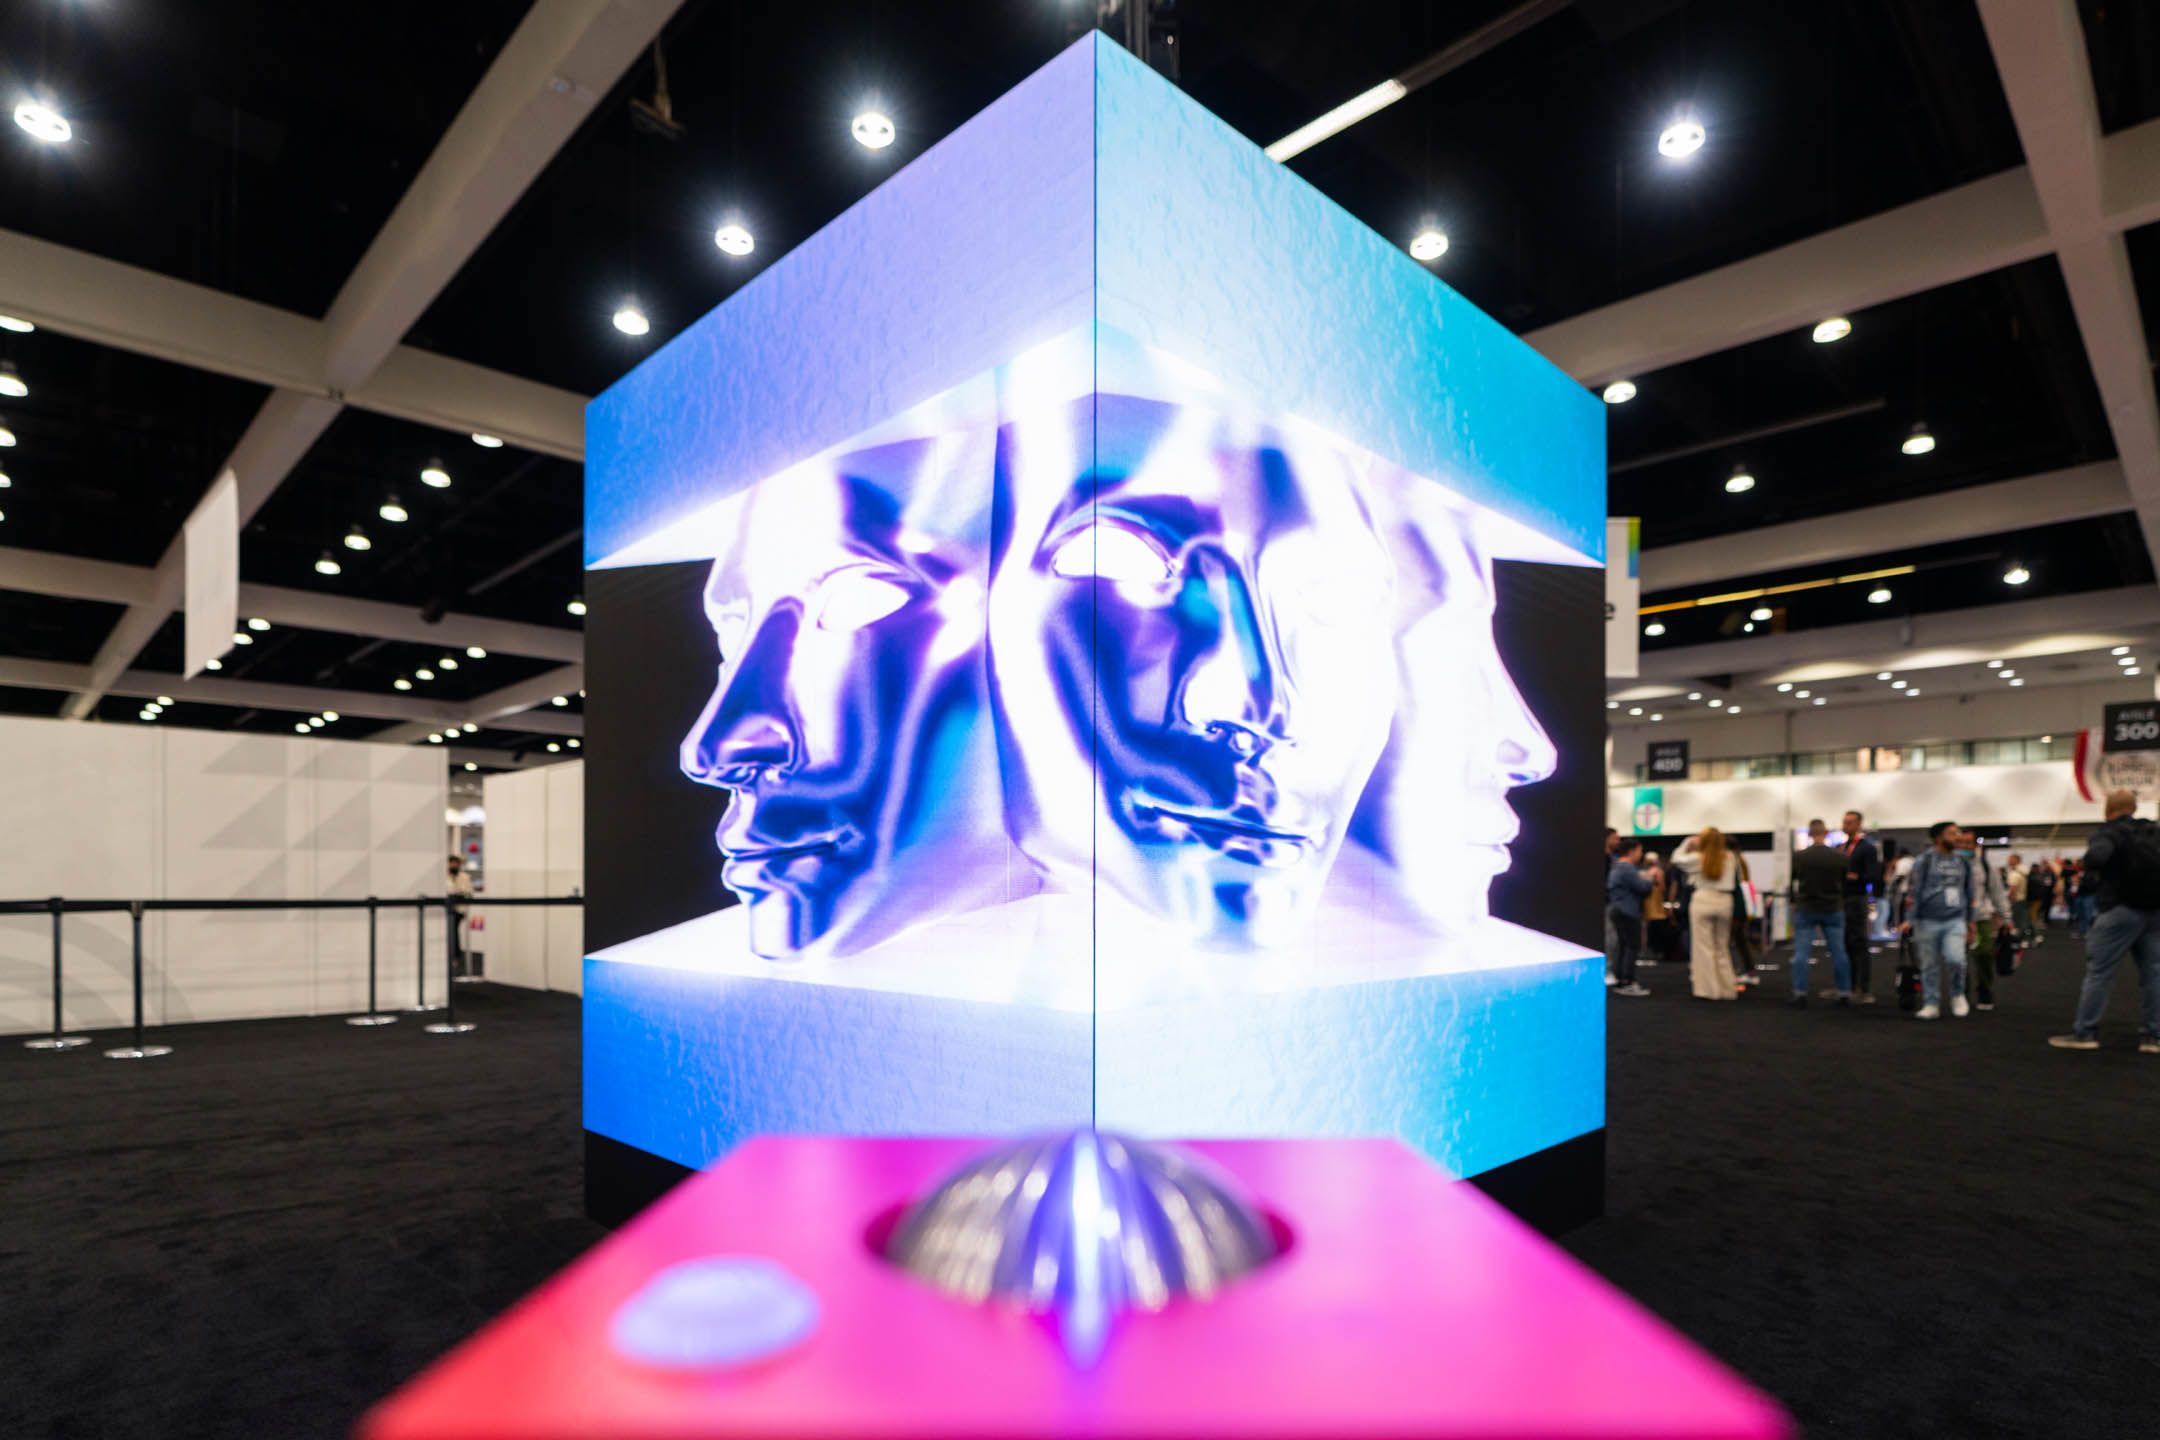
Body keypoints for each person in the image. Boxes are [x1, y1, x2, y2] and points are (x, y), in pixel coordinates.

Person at [2049, 790, 2160, 1053]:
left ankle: (2085, 1033)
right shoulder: (2153, 832)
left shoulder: (2110, 832)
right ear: (2134, 808)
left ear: (2108, 809)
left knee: (2100, 973)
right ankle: (2153, 1037)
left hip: (2118, 911)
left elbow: (2096, 858)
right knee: (2154, 975)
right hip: (2154, 912)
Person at [1900, 821, 1979, 1020]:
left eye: (1958, 833)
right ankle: (1931, 1003)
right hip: (1926, 921)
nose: (1957, 837)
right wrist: (1909, 919)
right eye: (1952, 833)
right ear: (1938, 838)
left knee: (1956, 960)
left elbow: (1970, 892)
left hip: (1955, 920)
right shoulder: (1924, 861)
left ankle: (1957, 994)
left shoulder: (1962, 862)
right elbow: (1914, 891)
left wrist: (1971, 921)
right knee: (1929, 965)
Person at [1788, 818, 1852, 1007]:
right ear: (1826, 833)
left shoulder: (1799, 857)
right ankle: (1844, 992)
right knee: (1839, 952)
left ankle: (1800, 993)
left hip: (1806, 908)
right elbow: (1845, 883)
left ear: (1809, 834)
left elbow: (1792, 882)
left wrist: (1794, 901)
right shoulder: (1840, 857)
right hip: (1833, 907)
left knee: (1801, 953)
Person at [1672, 827, 1740, 1000]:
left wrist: (1687, 842)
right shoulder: (1731, 857)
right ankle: (1727, 990)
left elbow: (1676, 859)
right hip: (1725, 901)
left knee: (1703, 948)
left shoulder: (1698, 858)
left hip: (1703, 900)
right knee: (1722, 947)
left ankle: (1709, 990)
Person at [1839, 810, 1883, 1003]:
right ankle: (1847, 986)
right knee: (1845, 943)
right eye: (1844, 822)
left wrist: (1856, 877)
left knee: (1859, 943)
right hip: (1842, 899)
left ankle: (1863, 988)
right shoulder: (1842, 847)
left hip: (1857, 899)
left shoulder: (1867, 848)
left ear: (1858, 824)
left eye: (1849, 822)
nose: (1845, 825)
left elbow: (1873, 876)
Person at [1605, 840, 1656, 997]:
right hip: (1627, 911)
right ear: (1632, 851)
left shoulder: (1617, 866)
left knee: (1623, 946)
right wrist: (1650, 878)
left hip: (1619, 910)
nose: (1641, 855)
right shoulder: (1627, 868)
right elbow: (1643, 888)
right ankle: (1627, 982)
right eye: (1639, 851)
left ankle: (1622, 980)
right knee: (1631, 947)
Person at [447, 854, 476, 978]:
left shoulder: (465, 877)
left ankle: (455, 956)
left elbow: (470, 892)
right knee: (451, 932)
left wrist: (460, 894)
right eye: (452, 862)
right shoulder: (443, 876)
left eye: (456, 863)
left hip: (459, 909)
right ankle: (453, 955)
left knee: (453, 931)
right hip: (446, 909)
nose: (454, 865)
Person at [2028, 857, 2057, 934]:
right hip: (2039, 895)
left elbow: (2053, 882)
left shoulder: (2050, 873)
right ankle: (2037, 923)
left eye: (2046, 864)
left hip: (2047, 894)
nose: (2045, 866)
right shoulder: (2038, 874)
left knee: (2046, 907)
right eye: (2044, 864)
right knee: (2038, 910)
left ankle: (2045, 920)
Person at [2005, 853, 2029, 938]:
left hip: (2016, 900)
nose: (2008, 861)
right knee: (2023, 919)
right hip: (2022, 898)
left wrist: (2010, 899)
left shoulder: (2015, 873)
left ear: (2016, 860)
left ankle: (2020, 938)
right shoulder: (2023, 871)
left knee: (2017, 921)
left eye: (2010, 859)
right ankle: (2026, 937)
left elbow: (2013, 888)